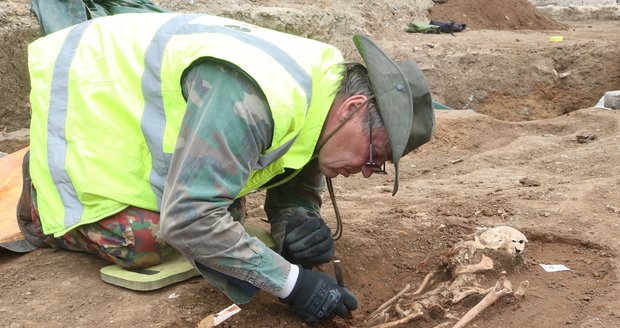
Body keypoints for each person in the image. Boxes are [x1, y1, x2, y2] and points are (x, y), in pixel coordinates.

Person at [18, 12, 435, 323]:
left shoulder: (327, 90)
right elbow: (190, 220)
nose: (367, 170)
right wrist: (293, 284)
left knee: (227, 220)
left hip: (128, 102)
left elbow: (301, 155)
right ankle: (43, 202)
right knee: (152, 238)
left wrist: (296, 220)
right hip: (89, 97)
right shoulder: (254, 97)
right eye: (374, 155)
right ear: (354, 107)